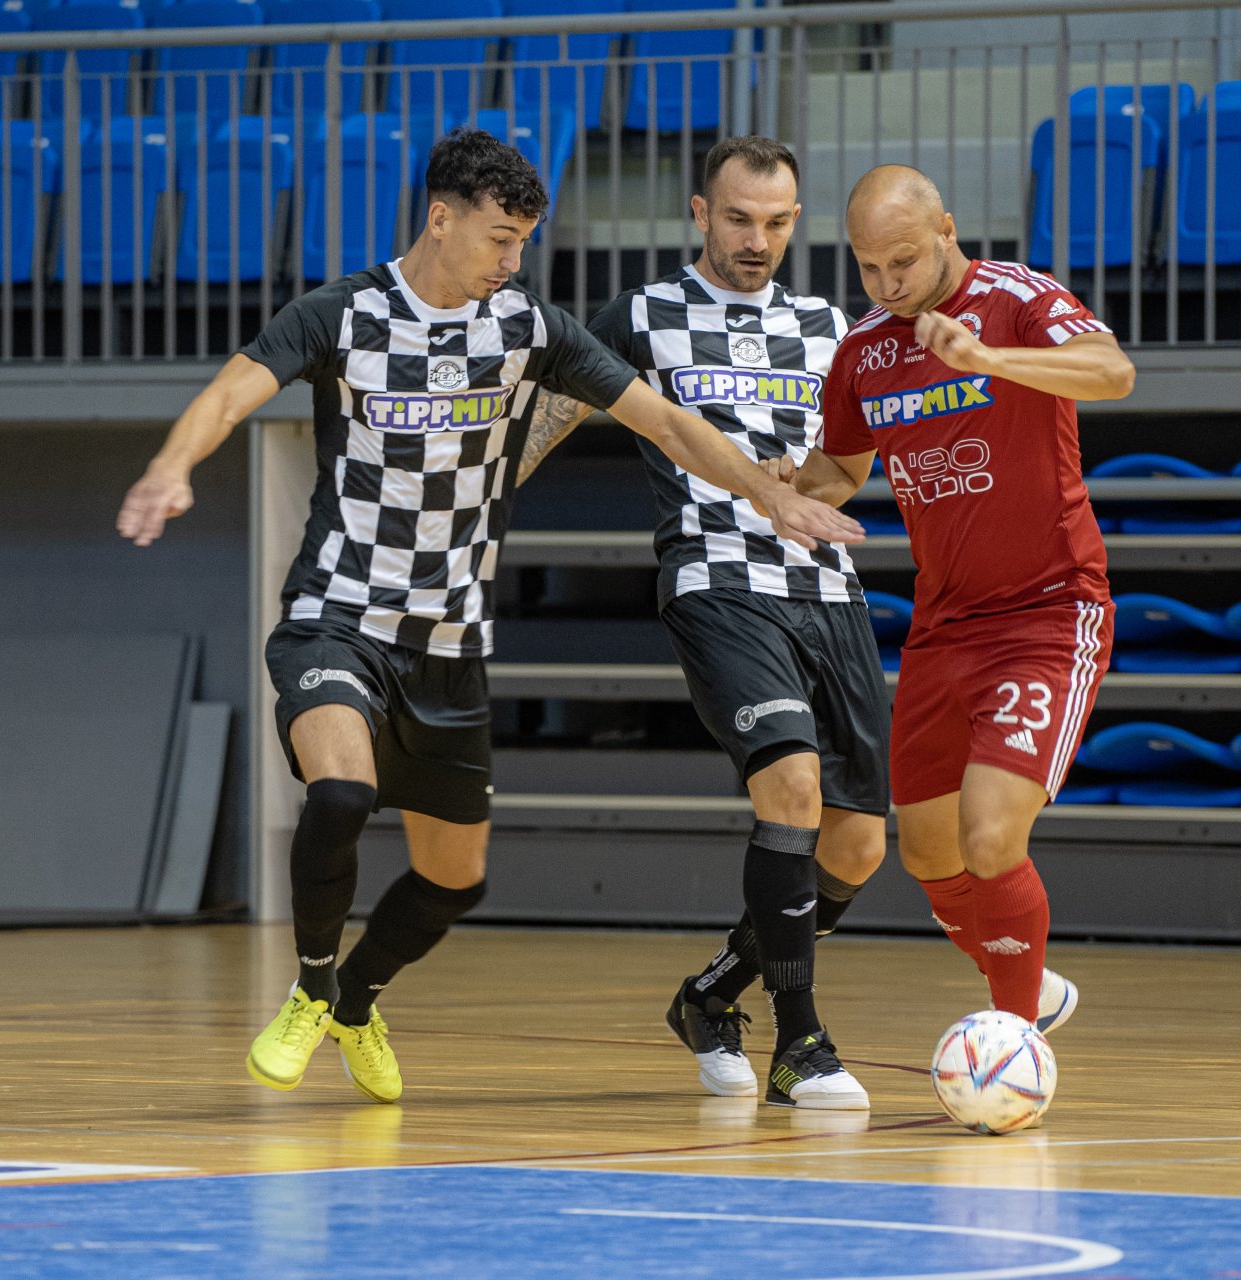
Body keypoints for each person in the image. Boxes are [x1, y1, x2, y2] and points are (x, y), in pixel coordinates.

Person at [115, 128, 862, 1106]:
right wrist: (172, 467)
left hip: (451, 646)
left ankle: (355, 997)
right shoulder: (343, 314)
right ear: (442, 216)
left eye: (523, 245)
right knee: (340, 791)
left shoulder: (531, 330)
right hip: (338, 614)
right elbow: (228, 393)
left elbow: (669, 422)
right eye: (500, 240)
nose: (512, 263)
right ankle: (309, 986)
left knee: (455, 878)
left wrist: (773, 498)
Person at [519, 137, 889, 1110]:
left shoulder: (829, 325)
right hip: (715, 580)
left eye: (775, 221)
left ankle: (713, 993)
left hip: (827, 586)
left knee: (857, 846)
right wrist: (467, 514)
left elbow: (858, 452)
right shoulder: (642, 314)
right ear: (697, 212)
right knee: (793, 786)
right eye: (737, 218)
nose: (755, 239)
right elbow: (547, 418)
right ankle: (801, 1042)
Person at [788, 164, 1135, 1049]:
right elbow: (839, 465)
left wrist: (989, 360)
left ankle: (1013, 1042)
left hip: (1050, 614)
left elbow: (1111, 371)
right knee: (929, 854)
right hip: (945, 625)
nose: (888, 284)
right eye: (868, 268)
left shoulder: (1017, 299)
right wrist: (781, 492)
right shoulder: (865, 350)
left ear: (947, 228)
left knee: (989, 836)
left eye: (902, 260)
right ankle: (1027, 983)